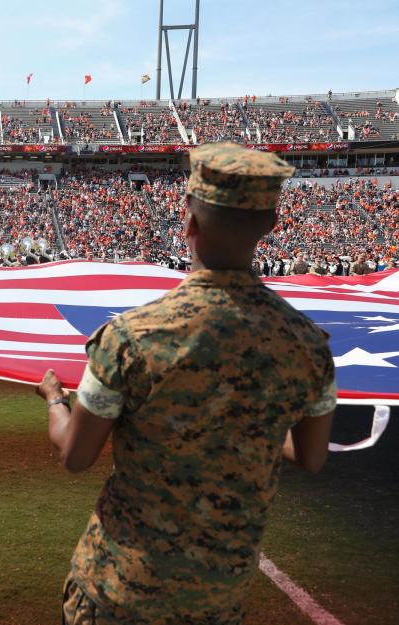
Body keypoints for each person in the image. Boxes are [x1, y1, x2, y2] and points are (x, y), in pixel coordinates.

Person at [37, 142, 336, 625]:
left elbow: (75, 456)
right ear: (270, 226)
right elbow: (310, 456)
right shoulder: (308, 346)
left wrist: (55, 401)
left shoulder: (130, 338)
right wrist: (246, 422)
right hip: (217, 601)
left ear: (189, 223)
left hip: (118, 594)